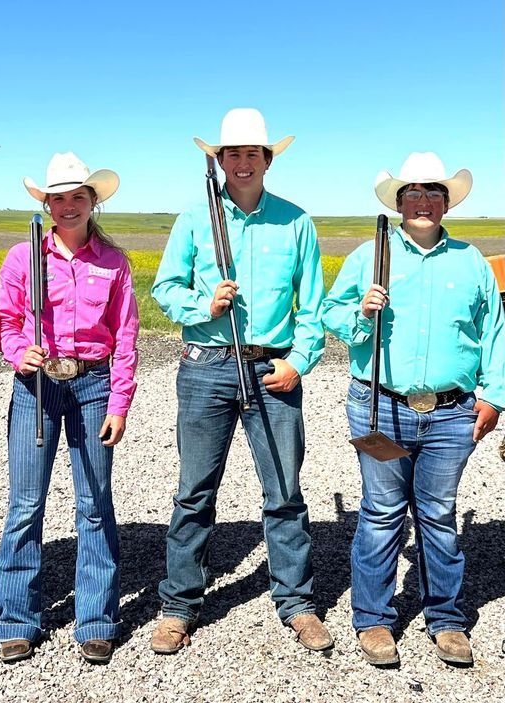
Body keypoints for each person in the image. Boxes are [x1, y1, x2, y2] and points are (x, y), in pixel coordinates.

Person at [150, 108, 332, 654]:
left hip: (272, 367)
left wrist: (300, 360)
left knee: (284, 492)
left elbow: (313, 306)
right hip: (206, 365)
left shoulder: (296, 222)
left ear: (267, 160)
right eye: (233, 154)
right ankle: (180, 604)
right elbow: (165, 289)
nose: (243, 163)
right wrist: (203, 304)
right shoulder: (193, 219)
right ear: (220, 161)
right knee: (194, 492)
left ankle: (297, 602)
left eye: (253, 153)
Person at [322, 152, 505, 666]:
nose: (423, 202)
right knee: (381, 515)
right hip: (381, 405)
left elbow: (494, 331)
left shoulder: (471, 260)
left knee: (439, 515)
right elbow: (332, 314)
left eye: (433, 193)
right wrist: (361, 312)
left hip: (452, 412)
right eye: (413, 194)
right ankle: (375, 620)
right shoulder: (368, 255)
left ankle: (446, 618)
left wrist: (494, 396)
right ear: (399, 203)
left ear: (447, 203)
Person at [0, 152, 139, 665]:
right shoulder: (21, 259)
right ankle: (16, 619)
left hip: (93, 385)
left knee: (94, 503)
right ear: (47, 204)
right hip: (36, 388)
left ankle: (96, 619)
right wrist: (18, 352)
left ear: (93, 201)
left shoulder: (114, 263)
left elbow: (126, 337)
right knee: (26, 504)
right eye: (60, 197)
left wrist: (119, 402)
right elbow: (6, 324)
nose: (69, 205)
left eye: (79, 196)